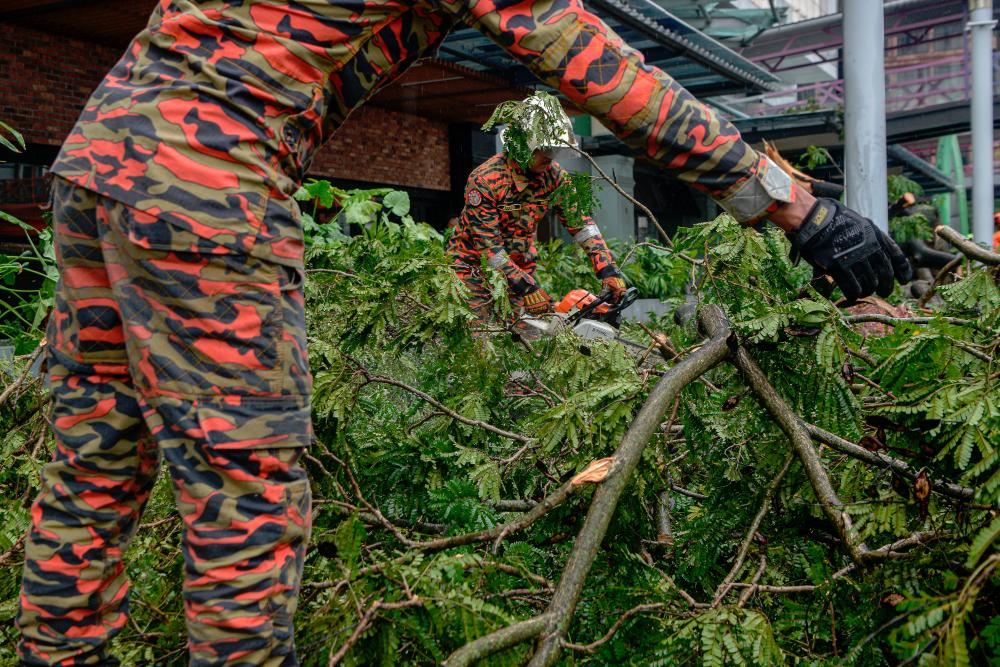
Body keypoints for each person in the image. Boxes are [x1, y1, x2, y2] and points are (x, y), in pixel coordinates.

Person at [17, 1, 912, 665]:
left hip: (99, 157)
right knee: (241, 485)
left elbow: (581, 227)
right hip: (206, 177)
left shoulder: (546, 182)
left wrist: (603, 285)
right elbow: (595, 67)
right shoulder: (490, 181)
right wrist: (794, 206)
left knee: (94, 459)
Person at [448, 95, 626, 323]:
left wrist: (606, 268)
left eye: (554, 149)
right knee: (481, 337)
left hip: (520, 270)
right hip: (472, 271)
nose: (550, 157)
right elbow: (489, 250)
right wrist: (526, 286)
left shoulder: (555, 177)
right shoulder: (486, 180)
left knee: (523, 337)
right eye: (544, 149)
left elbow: (582, 225)